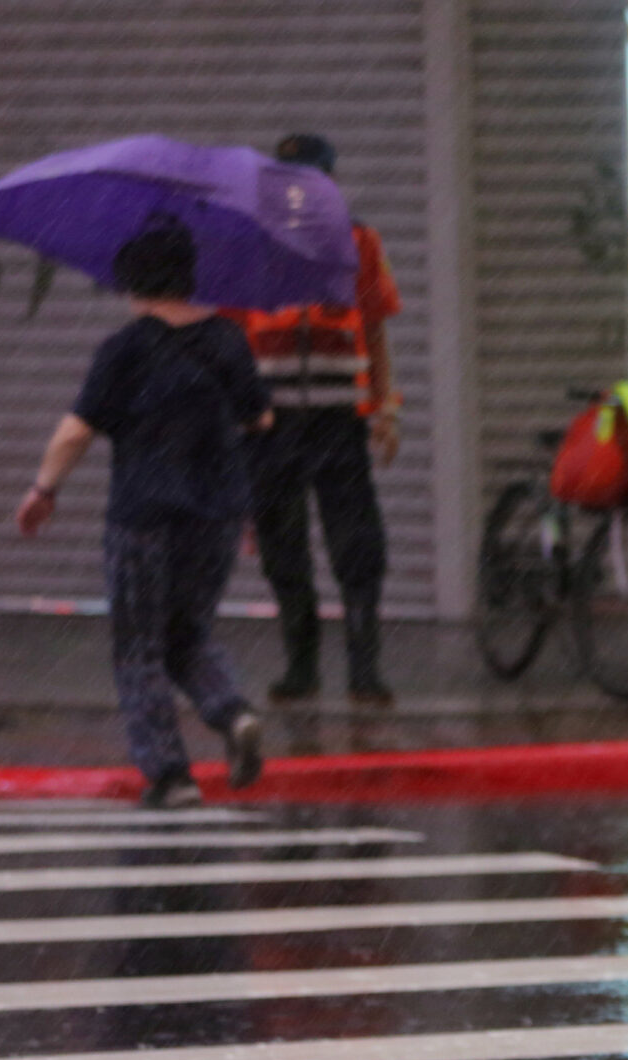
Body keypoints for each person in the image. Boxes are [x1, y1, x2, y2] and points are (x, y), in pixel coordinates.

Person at [16, 224, 270, 809]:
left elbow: (77, 431)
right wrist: (247, 505)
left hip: (145, 515)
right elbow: (259, 423)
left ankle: (170, 774)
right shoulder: (228, 340)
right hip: (216, 517)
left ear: (134, 282)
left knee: (139, 646)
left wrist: (43, 489)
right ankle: (233, 714)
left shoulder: (126, 349)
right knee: (188, 633)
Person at [230, 133, 403, 706]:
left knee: (357, 547)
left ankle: (365, 670)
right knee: (282, 547)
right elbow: (233, 340)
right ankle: (301, 666)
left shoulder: (358, 242)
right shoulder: (252, 245)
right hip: (270, 424)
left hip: (337, 423)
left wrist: (385, 410)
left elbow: (375, 330)